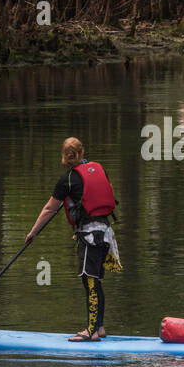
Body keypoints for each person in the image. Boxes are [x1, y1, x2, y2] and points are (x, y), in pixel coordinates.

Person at [25, 138, 120, 341]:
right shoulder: (98, 169)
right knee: (96, 281)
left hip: (89, 237)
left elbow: (50, 208)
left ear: (64, 156)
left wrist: (33, 232)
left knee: (90, 281)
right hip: (105, 233)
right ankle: (99, 327)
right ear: (82, 151)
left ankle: (91, 331)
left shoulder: (67, 179)